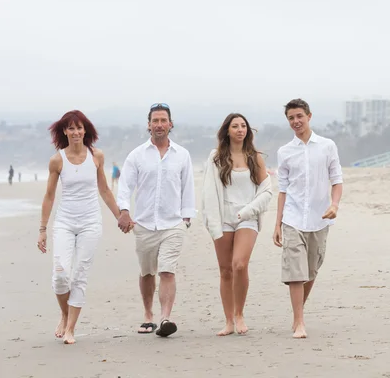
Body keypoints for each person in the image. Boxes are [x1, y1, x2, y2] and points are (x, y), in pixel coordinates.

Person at [37, 110, 120, 345]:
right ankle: (64, 314)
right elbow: (49, 196)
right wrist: (43, 229)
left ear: (85, 130)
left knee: (80, 276)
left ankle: (70, 328)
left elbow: (104, 190)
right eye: (71, 128)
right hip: (64, 222)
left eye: (79, 128)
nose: (76, 132)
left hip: (90, 222)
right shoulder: (57, 160)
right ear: (65, 131)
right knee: (60, 275)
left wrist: (119, 216)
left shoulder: (96, 156)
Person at [117, 103, 195, 338]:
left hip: (173, 223)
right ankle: (148, 315)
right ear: (148, 125)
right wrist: (124, 210)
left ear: (171, 124)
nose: (159, 125)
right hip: (144, 224)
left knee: (167, 270)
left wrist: (187, 216)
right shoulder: (137, 155)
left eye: (163, 120)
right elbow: (125, 186)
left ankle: (165, 318)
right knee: (147, 272)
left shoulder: (182, 154)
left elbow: (187, 185)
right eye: (155, 121)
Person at [273, 99, 343, 339]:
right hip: (292, 218)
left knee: (311, 271)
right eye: (291, 118)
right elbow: (282, 190)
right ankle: (299, 321)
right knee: (296, 272)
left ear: (309, 116)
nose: (296, 121)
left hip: (319, 219)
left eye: (299, 116)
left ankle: (298, 314)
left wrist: (334, 205)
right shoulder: (285, 152)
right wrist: (278, 223)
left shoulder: (327, 146)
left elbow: (337, 180)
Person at [202, 113, 272, 336]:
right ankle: (229, 321)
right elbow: (208, 192)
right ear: (227, 130)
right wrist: (212, 222)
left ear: (248, 131)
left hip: (247, 216)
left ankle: (240, 314)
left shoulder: (255, 157)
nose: (240, 129)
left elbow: (267, 190)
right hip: (223, 217)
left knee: (239, 264)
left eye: (243, 126)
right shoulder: (216, 158)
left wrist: (249, 210)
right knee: (225, 270)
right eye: (235, 126)